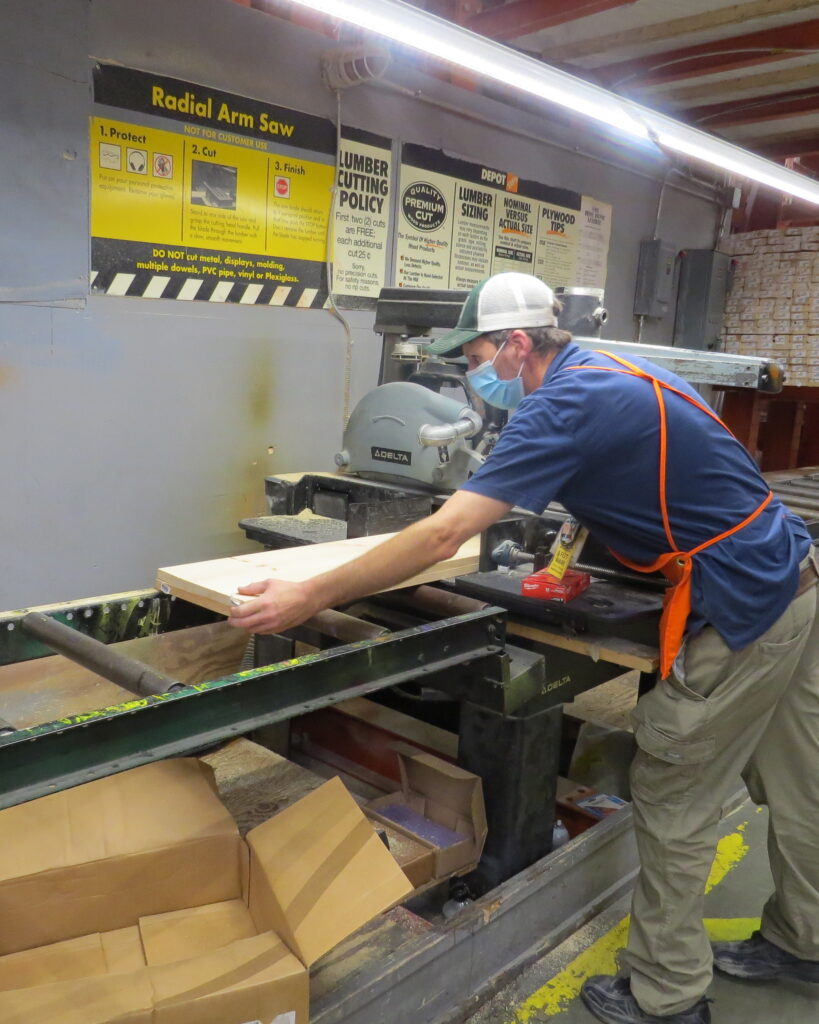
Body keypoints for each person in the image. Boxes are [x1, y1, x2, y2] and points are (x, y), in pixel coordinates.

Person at [229, 272, 819, 1023]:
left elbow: (446, 532)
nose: (471, 376)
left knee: (674, 797)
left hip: (740, 608)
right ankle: (804, 939)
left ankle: (665, 996)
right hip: (793, 578)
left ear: (515, 345)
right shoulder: (609, 370)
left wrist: (311, 594)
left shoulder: (564, 402)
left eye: (473, 356)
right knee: (801, 780)